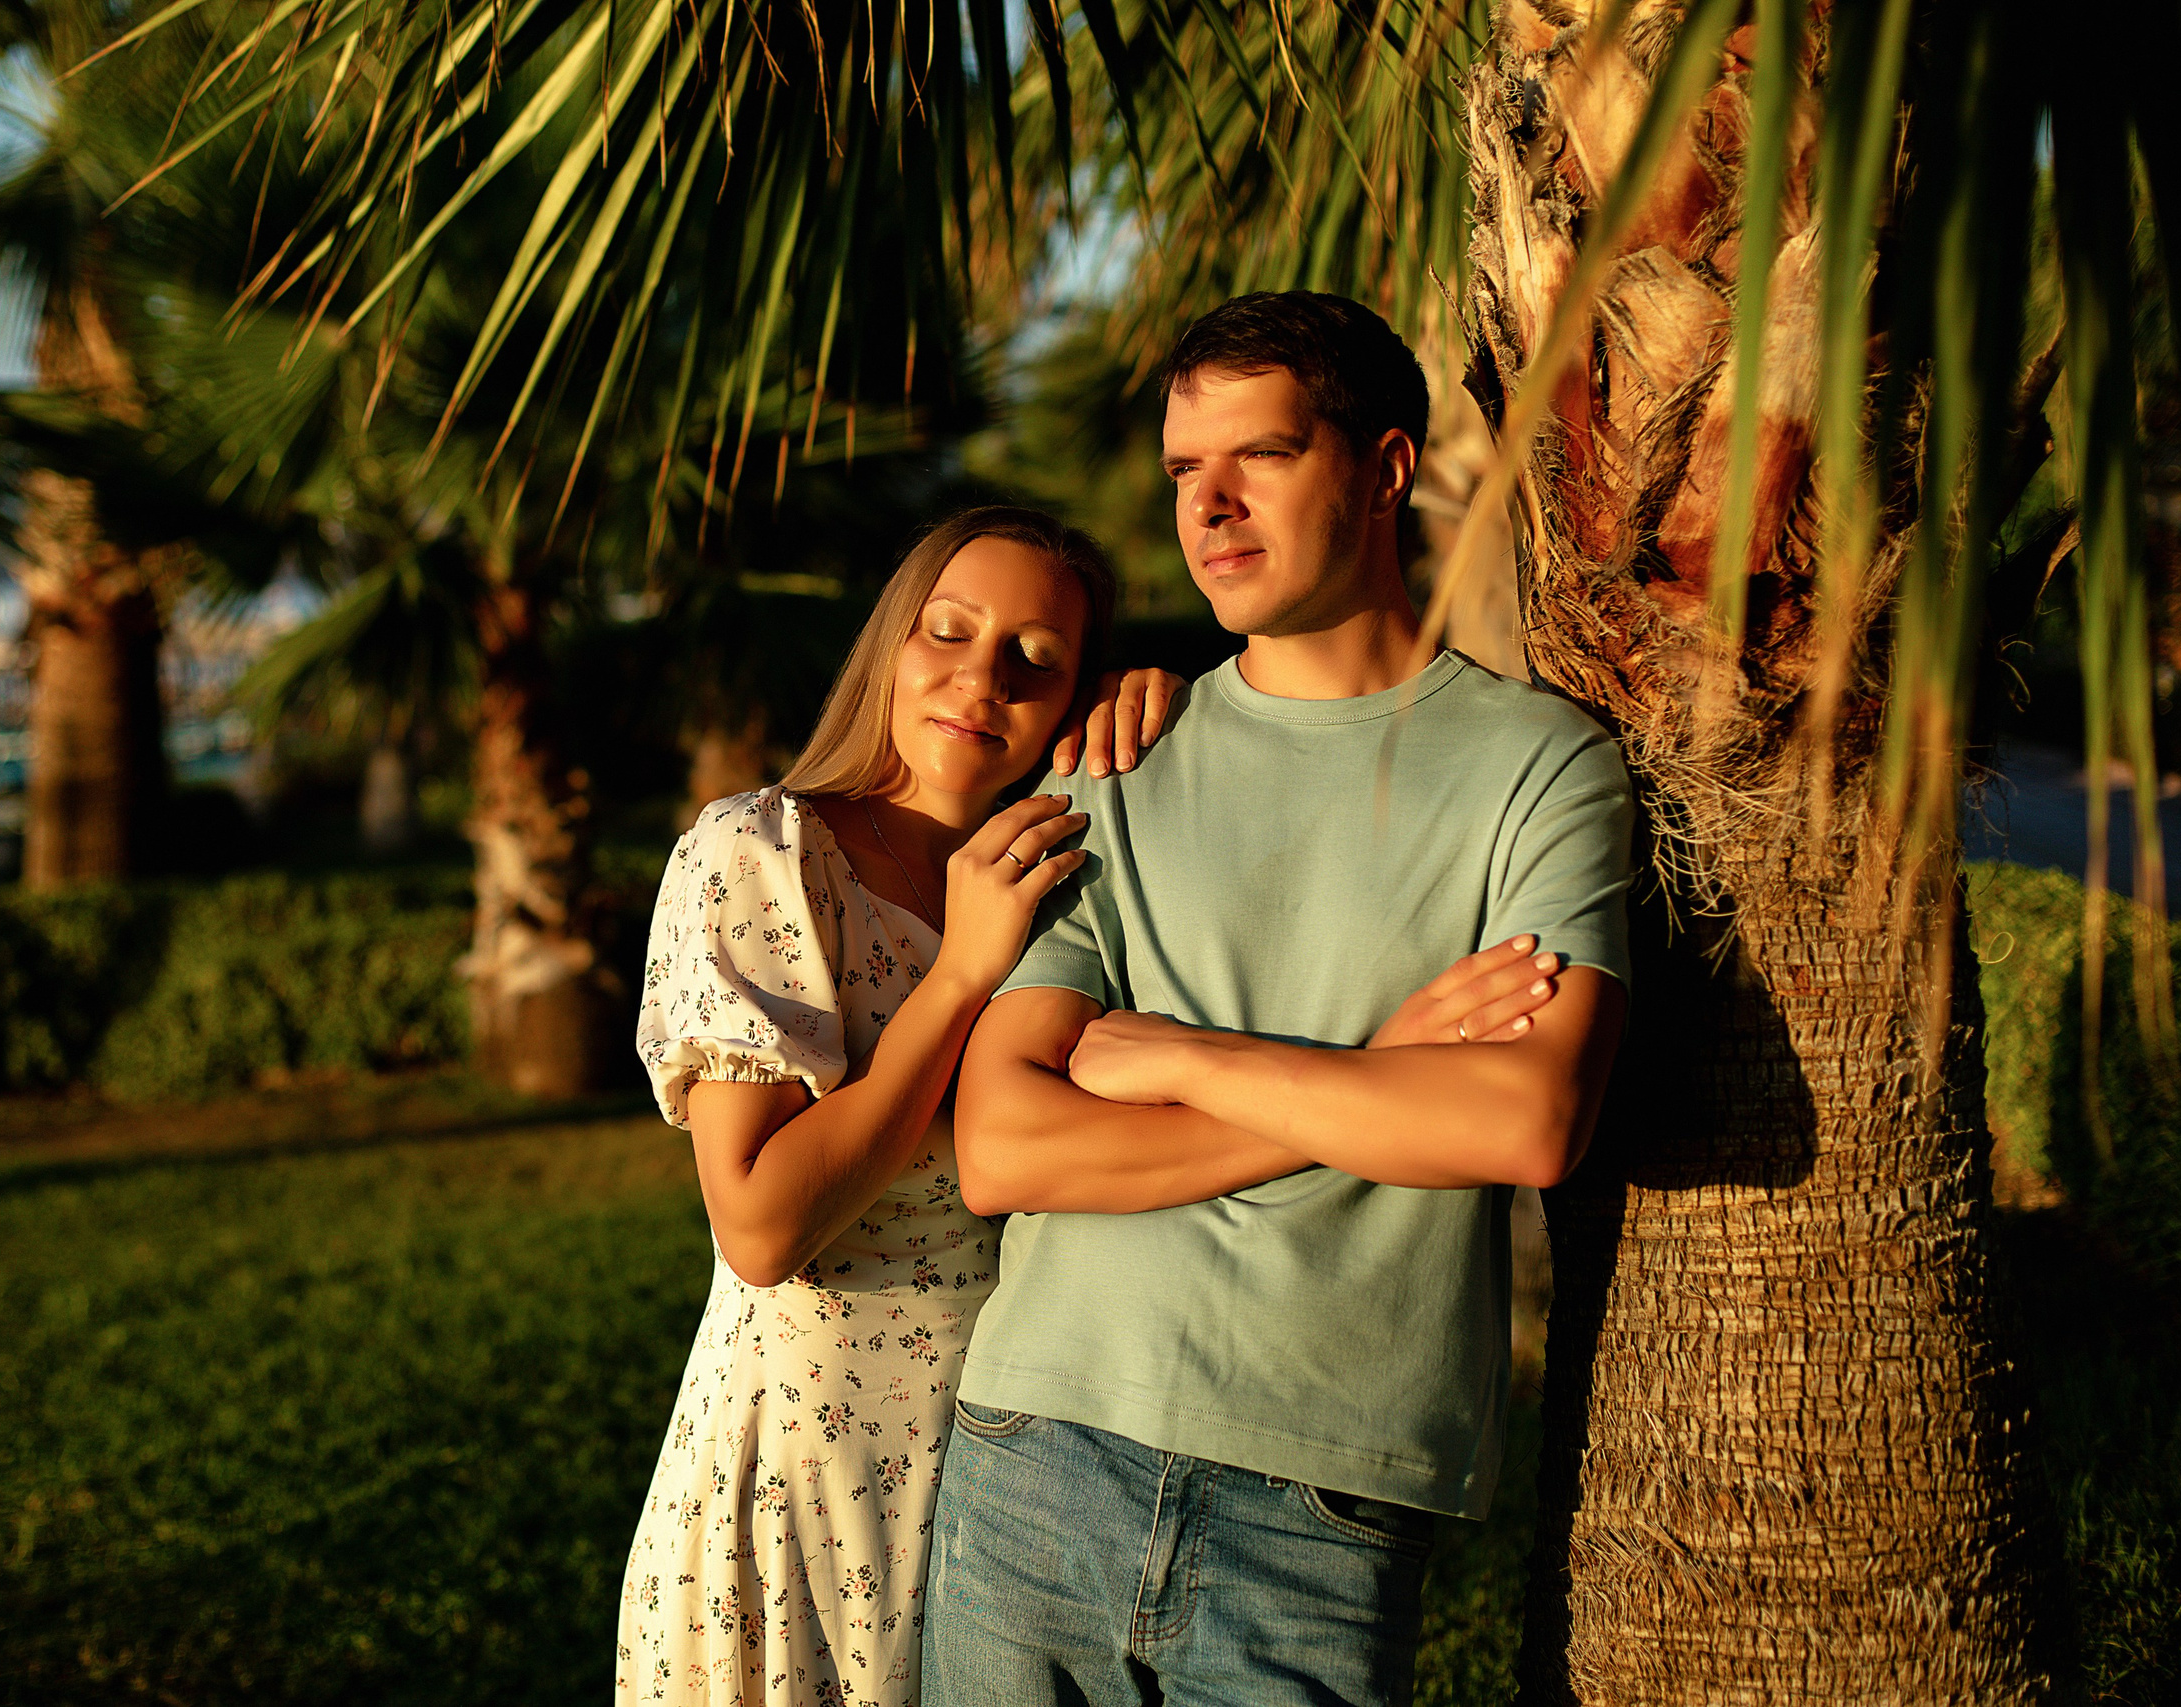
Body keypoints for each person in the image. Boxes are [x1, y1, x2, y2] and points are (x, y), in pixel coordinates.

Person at [617, 502, 1566, 1706]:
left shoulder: (1065, 861)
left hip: (1000, 1465)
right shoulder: (765, 852)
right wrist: (963, 972)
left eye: (1037, 657)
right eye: (945, 632)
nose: (980, 679)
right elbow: (759, 1226)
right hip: (805, 1475)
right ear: (887, 647)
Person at [926, 292, 1636, 1707]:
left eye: (1261, 455)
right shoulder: (1113, 765)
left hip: (1324, 1499)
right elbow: (1005, 1144)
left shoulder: (1545, 768)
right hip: (1039, 1443)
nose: (1212, 506)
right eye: (1188, 469)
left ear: (1380, 469)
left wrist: (1172, 1053)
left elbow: (1529, 1114)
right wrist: (1377, 1076)